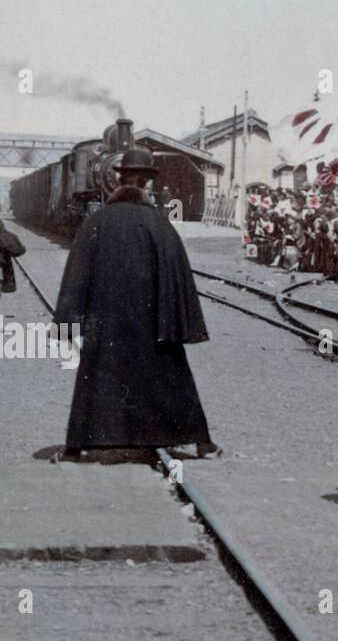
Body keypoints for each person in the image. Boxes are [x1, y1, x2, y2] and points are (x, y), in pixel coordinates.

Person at [54, 148, 217, 458]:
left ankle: (76, 447)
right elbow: (177, 275)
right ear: (147, 183)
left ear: (120, 179)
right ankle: (202, 443)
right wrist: (177, 324)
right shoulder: (158, 224)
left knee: (95, 381)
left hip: (105, 325)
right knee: (172, 378)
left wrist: (69, 322)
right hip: (152, 323)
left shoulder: (96, 221)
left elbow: (77, 274)